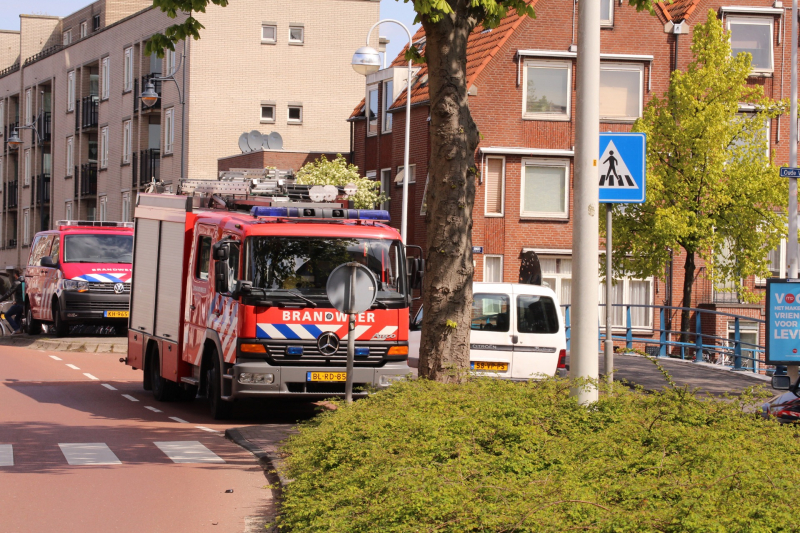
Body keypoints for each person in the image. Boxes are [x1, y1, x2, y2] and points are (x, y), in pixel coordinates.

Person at [0, 268, 24, 335]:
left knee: (7, 315)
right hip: (24, 304)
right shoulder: (24, 281)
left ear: (16, 275)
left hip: (19, 305)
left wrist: (0, 300)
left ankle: (17, 329)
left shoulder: (17, 283)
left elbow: (8, 293)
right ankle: (19, 331)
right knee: (17, 318)